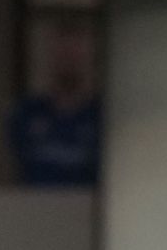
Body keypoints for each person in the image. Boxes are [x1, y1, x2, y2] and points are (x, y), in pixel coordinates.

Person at [7, 20, 101, 186]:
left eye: (75, 55)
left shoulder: (101, 117)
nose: (69, 62)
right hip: (36, 207)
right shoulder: (26, 113)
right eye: (63, 54)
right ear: (52, 57)